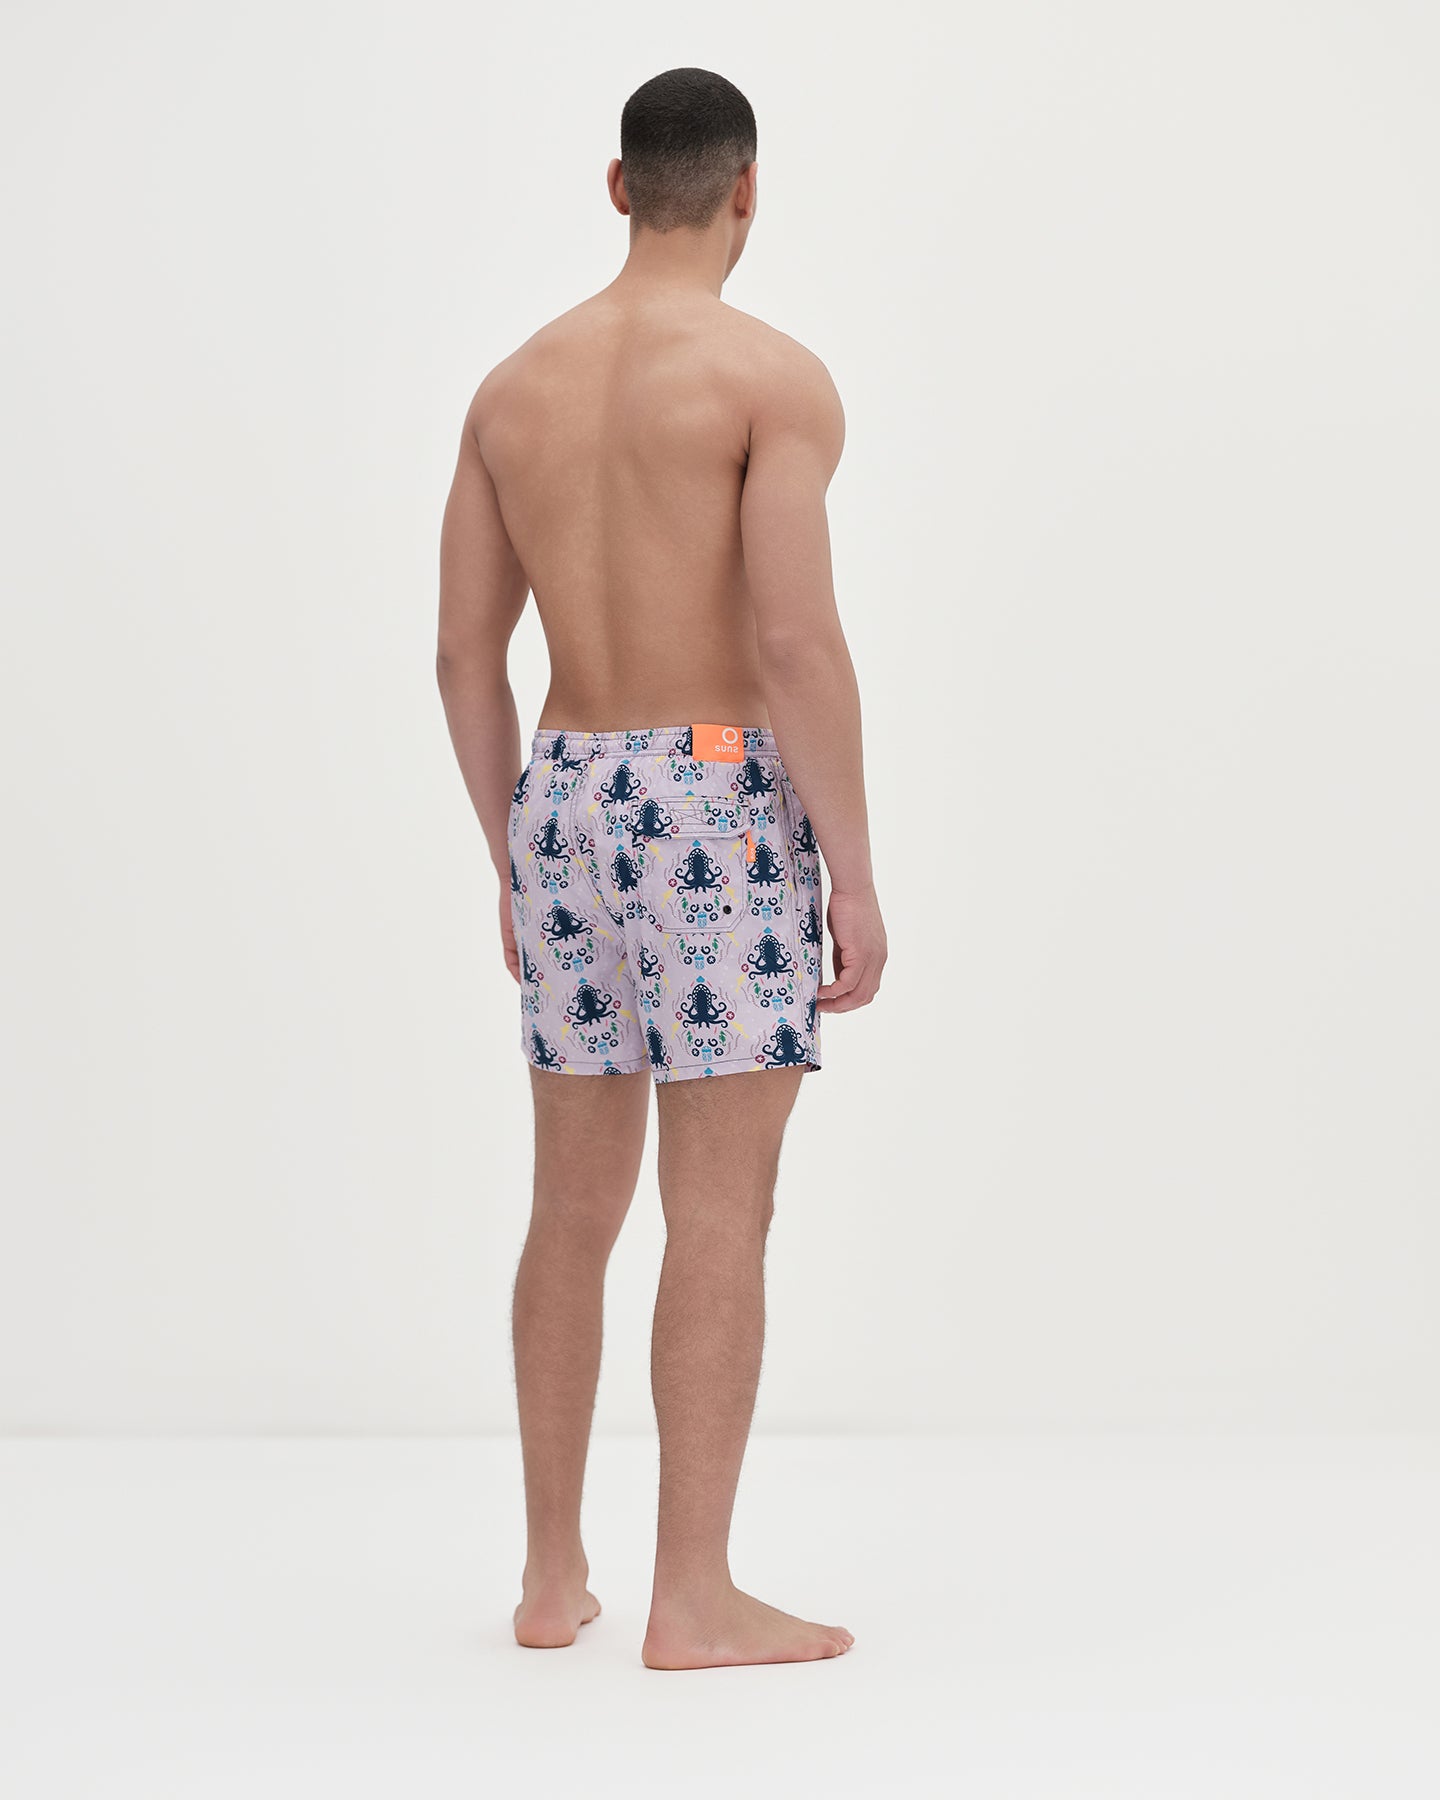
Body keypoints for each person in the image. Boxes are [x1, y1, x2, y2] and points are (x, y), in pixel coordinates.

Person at [437, 67, 886, 1670]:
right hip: (712, 794)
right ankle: (693, 1596)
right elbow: (795, 641)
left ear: (620, 187)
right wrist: (852, 873)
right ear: (746, 190)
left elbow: (464, 657)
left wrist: (509, 853)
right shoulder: (770, 381)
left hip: (563, 788)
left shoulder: (512, 390)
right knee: (718, 1209)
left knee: (570, 1205)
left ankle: (550, 1577)